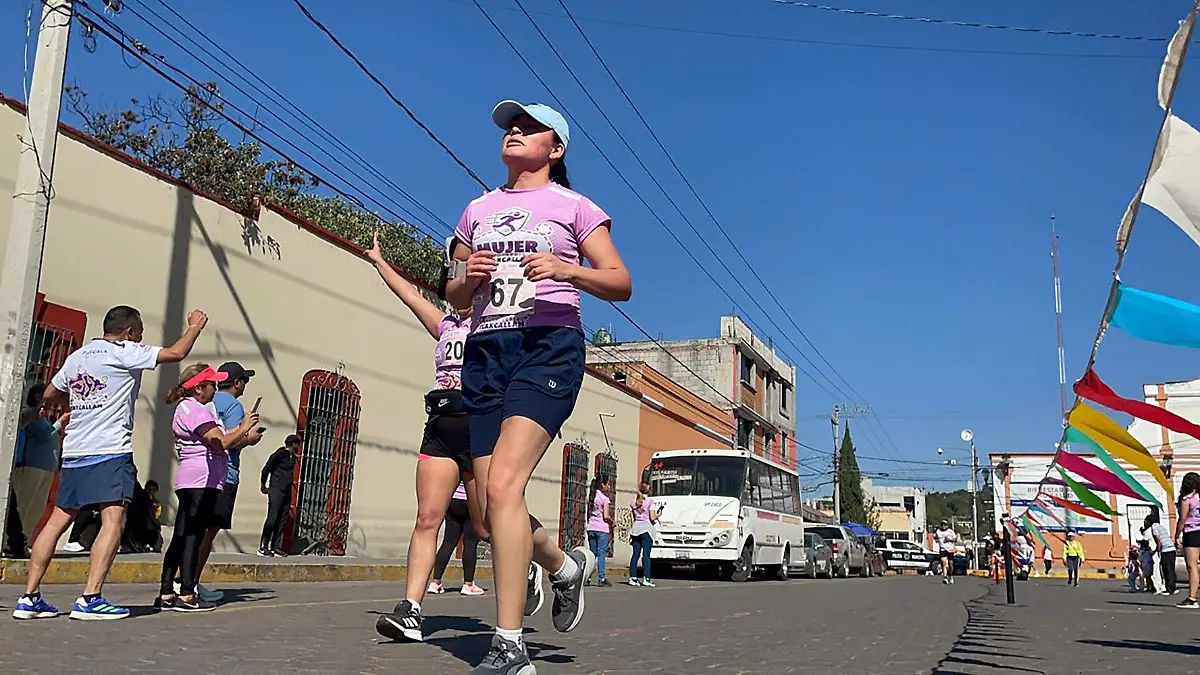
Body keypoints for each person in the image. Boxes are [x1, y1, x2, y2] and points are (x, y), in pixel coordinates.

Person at [445, 99, 632, 674]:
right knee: (484, 509)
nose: (514, 133)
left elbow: (620, 282)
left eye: (528, 128)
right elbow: (452, 296)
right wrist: (464, 278)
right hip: (485, 352)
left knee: (503, 485)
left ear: (556, 149)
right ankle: (561, 564)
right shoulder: (476, 208)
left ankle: (509, 645)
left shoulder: (574, 207)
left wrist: (568, 269)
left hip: (547, 345)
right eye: (509, 127)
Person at [12, 305, 206, 621]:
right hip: (109, 450)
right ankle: (90, 598)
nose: (141, 338)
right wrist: (195, 327)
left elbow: (49, 393)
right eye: (140, 332)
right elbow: (175, 353)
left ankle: (29, 597)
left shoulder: (78, 357)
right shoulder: (124, 351)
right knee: (113, 521)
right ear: (129, 332)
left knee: (58, 520)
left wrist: (78, 402)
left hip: (75, 452)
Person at [365, 231, 490, 642]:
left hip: (481, 427)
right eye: (456, 268)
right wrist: (380, 261)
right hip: (440, 428)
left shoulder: (494, 323)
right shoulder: (446, 323)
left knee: (488, 526)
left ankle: (540, 562)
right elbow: (409, 296)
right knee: (427, 519)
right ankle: (411, 609)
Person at [156, 363, 259, 612]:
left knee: (182, 535)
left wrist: (237, 431)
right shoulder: (197, 411)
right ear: (199, 388)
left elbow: (216, 438)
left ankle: (167, 591)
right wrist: (244, 429)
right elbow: (220, 442)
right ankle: (188, 593)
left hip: (193, 479)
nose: (215, 388)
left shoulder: (188, 409)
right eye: (212, 384)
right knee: (193, 535)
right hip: (202, 480)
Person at [189, 362, 263, 601]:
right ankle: (192, 583)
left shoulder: (204, 403)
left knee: (193, 530)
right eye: (244, 381)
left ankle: (182, 580)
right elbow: (230, 440)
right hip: (225, 474)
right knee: (208, 534)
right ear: (237, 383)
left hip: (200, 473)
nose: (244, 386)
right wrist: (249, 437)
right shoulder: (233, 406)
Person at [6, 385, 68, 558]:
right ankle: (14, 543)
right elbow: (43, 435)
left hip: (46, 468)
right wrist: (59, 423)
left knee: (36, 508)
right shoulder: (30, 414)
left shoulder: (42, 418)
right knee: (24, 506)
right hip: (31, 466)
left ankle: (23, 541)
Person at [428, 482, 486, 597]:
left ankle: (435, 582)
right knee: (470, 543)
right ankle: (468, 584)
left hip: (453, 500)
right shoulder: (478, 464)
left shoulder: (456, 463)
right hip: (471, 501)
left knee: (448, 541)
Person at [259, 435, 300, 555]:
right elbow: (266, 468)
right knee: (273, 517)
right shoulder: (280, 454)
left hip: (286, 490)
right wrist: (263, 484)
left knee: (282, 519)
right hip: (276, 489)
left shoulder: (293, 457)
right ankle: (263, 546)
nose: (299, 447)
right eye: (298, 444)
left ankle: (275, 546)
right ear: (293, 444)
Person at [1173, 471, 1200, 609]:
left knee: (1192, 566)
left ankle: (1192, 598)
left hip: (1192, 531)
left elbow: (1182, 519)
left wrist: (1177, 535)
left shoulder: (1186, 499)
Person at [586, 474, 614, 587]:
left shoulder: (592, 496)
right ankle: (601, 578)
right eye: (608, 484)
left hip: (591, 527)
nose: (610, 487)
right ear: (603, 485)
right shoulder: (604, 499)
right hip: (602, 529)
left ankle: (587, 577)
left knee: (592, 554)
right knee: (601, 553)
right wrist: (613, 522)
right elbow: (606, 516)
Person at [629, 482, 658, 587]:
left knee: (635, 554)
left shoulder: (634, 502)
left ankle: (633, 578)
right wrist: (659, 514)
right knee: (646, 555)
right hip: (646, 529)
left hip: (636, 529)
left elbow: (633, 517)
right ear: (648, 490)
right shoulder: (650, 502)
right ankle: (646, 578)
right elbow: (652, 517)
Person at [1149, 511, 1177, 596]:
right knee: (1171, 569)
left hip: (1166, 550)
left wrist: (1157, 550)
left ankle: (1169, 589)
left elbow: (1158, 540)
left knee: (1166, 569)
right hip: (1172, 549)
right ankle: (1173, 587)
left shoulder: (1153, 527)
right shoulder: (1161, 526)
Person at [935, 520, 958, 585]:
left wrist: (949, 540)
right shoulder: (938, 531)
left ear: (947, 525)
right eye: (942, 524)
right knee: (944, 563)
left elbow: (955, 539)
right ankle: (945, 578)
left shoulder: (950, 531)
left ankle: (950, 576)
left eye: (944, 525)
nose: (943, 526)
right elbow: (935, 537)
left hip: (950, 549)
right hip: (943, 549)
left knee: (950, 564)